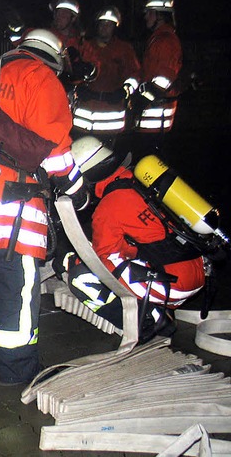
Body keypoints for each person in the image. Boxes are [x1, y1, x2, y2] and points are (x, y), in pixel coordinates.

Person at [0, 29, 87, 386]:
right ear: (53, 56)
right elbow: (54, 151)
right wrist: (78, 189)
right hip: (10, 204)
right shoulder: (40, 78)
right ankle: (17, 368)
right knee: (19, 287)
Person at [63, 136, 205, 342]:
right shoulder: (135, 181)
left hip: (176, 283)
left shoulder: (108, 208)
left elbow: (104, 262)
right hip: (196, 267)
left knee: (81, 277)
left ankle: (147, 319)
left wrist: (72, 261)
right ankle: (155, 305)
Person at [72, 6, 141, 135]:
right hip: (84, 116)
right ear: (97, 26)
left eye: (108, 25)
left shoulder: (124, 49)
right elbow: (74, 73)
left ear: (115, 27)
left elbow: (135, 75)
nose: (104, 28)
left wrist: (125, 90)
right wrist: (78, 87)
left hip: (111, 117)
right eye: (102, 24)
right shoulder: (85, 46)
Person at [131, 0, 182, 135]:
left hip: (157, 116)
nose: (146, 17)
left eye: (149, 12)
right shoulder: (158, 38)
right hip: (152, 114)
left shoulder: (165, 41)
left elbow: (164, 80)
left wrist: (143, 99)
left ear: (159, 15)